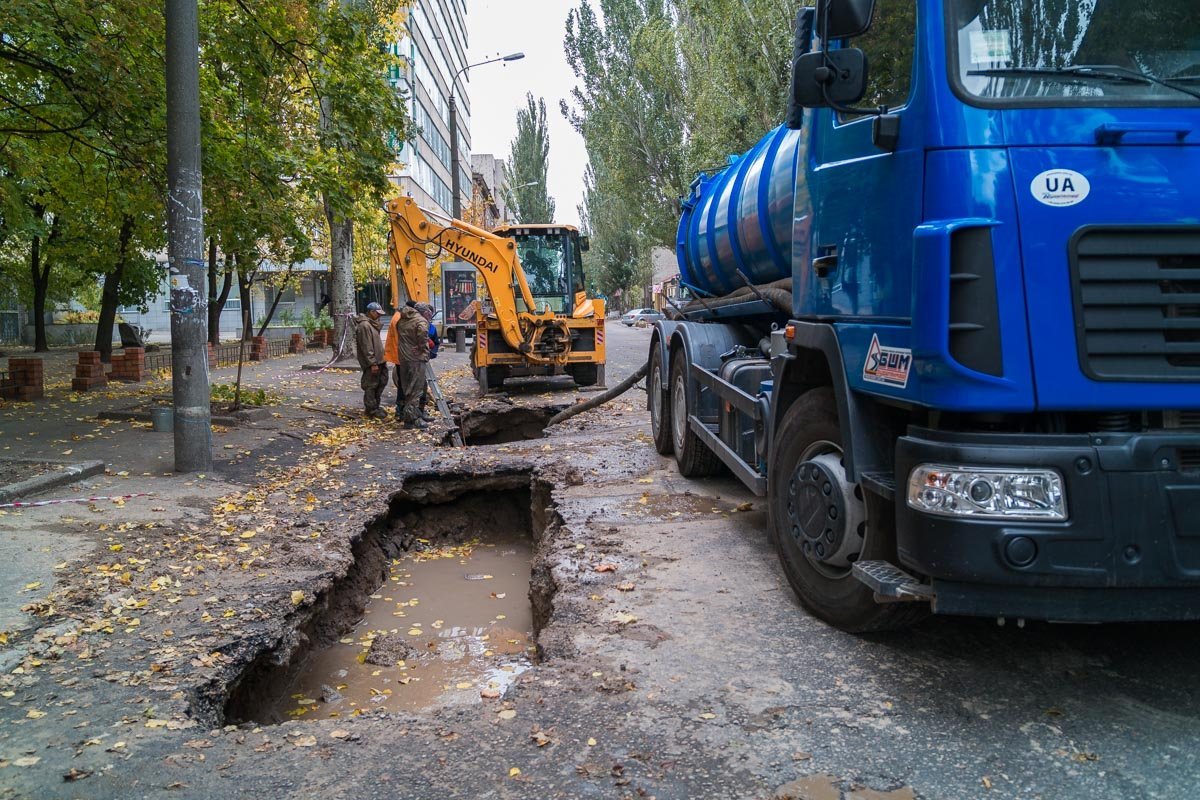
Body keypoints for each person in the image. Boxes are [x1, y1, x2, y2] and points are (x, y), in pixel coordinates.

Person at [385, 301, 430, 429]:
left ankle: (407, 417)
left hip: (403, 357)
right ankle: (412, 419)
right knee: (416, 388)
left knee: (406, 387)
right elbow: (422, 332)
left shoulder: (402, 319)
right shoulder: (420, 321)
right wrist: (422, 347)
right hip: (415, 358)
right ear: (423, 312)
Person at [354, 302, 387, 419]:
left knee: (381, 382)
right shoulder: (364, 326)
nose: (379, 316)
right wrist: (372, 363)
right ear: (371, 312)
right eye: (378, 313)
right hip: (373, 363)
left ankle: (375, 406)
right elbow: (367, 346)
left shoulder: (372, 324)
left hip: (380, 360)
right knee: (371, 385)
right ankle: (371, 410)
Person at [415, 302, 439, 421]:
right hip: (414, 360)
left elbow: (435, 342)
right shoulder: (415, 324)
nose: (430, 316)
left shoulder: (431, 327)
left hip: (424, 358)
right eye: (429, 314)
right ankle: (412, 414)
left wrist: (432, 353)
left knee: (422, 386)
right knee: (415, 388)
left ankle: (420, 410)